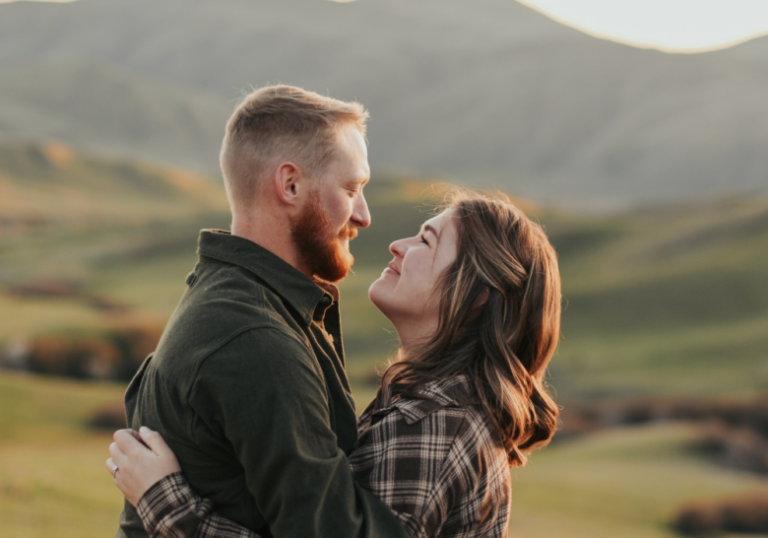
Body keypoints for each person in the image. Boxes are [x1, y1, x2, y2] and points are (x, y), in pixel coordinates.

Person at [108, 191, 563, 538]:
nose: (398, 245)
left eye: (426, 239)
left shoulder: (437, 426)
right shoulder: (436, 411)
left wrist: (165, 503)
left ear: (477, 294)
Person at [111, 84, 410, 538]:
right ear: (290, 184)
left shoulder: (237, 300)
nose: (364, 215)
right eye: (352, 189)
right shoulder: (256, 338)